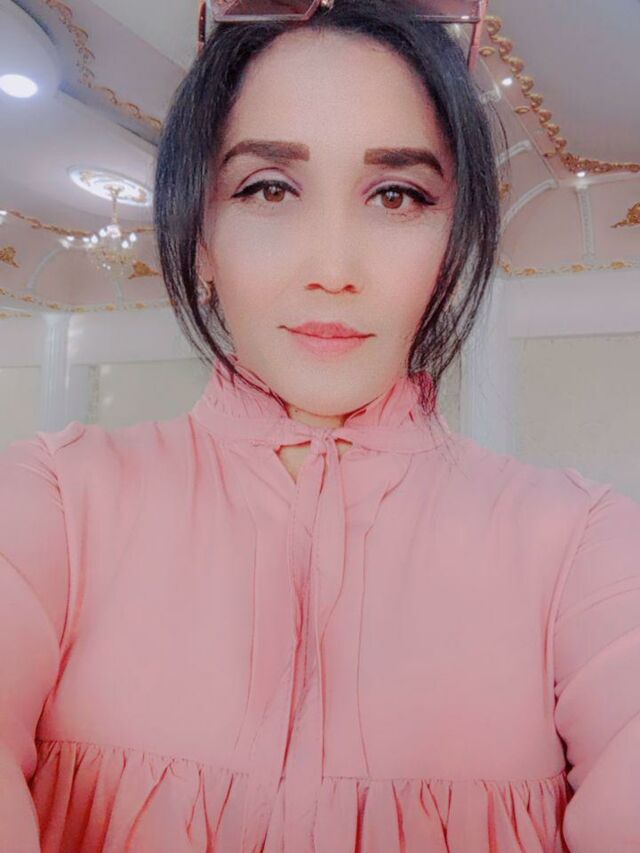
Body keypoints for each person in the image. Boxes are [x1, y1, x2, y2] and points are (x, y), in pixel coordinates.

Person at [1, 0, 639, 850]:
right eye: (269, 188)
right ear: (201, 237)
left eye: (397, 195)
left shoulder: (586, 547)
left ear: (453, 245)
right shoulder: (49, 503)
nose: (333, 269)